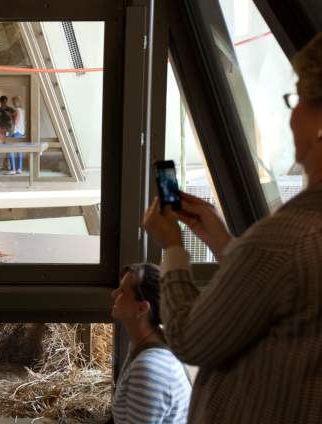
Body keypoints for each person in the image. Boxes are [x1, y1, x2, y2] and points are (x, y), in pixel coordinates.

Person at [142, 33, 322, 424]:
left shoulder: (285, 240)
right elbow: (284, 291)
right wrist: (226, 244)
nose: (292, 115)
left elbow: (190, 338)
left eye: (298, 99)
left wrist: (173, 248)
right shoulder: (291, 243)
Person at [111, 263, 191, 424]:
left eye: (123, 291)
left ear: (141, 308)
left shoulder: (149, 368)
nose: (114, 294)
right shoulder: (142, 343)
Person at [8, 96, 26, 174]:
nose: (13, 104)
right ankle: (19, 169)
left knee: (10, 150)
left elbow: (15, 122)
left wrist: (10, 116)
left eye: (13, 102)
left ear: (15, 103)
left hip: (16, 132)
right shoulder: (22, 110)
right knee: (19, 150)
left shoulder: (17, 110)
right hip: (21, 132)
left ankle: (13, 169)